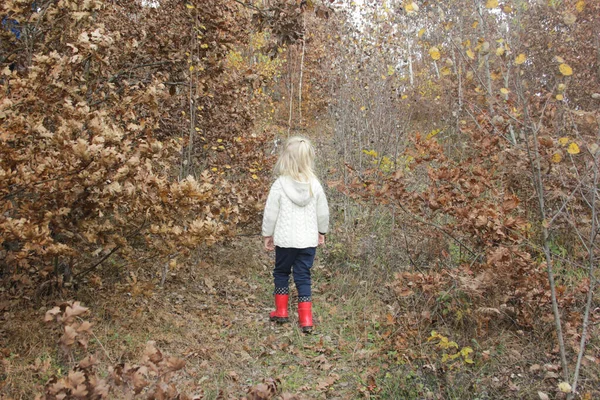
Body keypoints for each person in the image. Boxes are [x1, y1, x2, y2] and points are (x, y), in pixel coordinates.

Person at [262, 136, 329, 333]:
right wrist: (321, 232)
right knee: (303, 276)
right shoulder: (314, 185)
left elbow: (271, 212)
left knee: (282, 272)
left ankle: (281, 311)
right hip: (308, 241)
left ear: (286, 159)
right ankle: (306, 319)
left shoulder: (280, 184)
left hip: (285, 241)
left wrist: (268, 234)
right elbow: (323, 212)